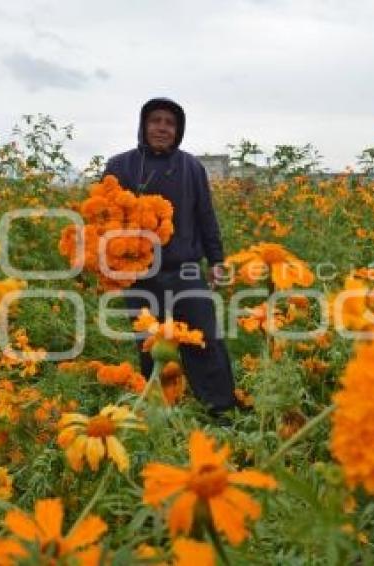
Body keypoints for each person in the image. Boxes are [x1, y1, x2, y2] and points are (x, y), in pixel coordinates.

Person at [103, 97, 238, 416]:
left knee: (205, 342)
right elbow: (103, 219)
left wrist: (217, 260)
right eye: (156, 121)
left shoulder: (191, 167)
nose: (162, 128)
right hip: (139, 275)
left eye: (170, 123)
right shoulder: (119, 166)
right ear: (143, 126)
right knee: (151, 348)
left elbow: (206, 216)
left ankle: (222, 412)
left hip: (186, 271)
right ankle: (159, 415)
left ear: (178, 130)